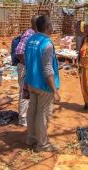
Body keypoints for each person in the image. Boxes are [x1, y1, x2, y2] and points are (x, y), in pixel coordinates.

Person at [24, 15, 60, 152]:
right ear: (47, 27)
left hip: (31, 82)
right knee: (42, 114)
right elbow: (47, 69)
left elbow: (27, 61)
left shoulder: (31, 39)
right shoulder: (47, 44)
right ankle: (42, 144)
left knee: (32, 111)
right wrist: (55, 91)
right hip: (44, 85)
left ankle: (31, 138)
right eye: (51, 24)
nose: (52, 27)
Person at [15, 16, 37, 126]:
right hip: (25, 67)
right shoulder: (30, 34)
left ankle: (26, 116)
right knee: (25, 93)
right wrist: (27, 64)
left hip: (28, 67)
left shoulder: (34, 34)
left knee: (29, 93)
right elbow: (19, 52)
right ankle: (22, 119)